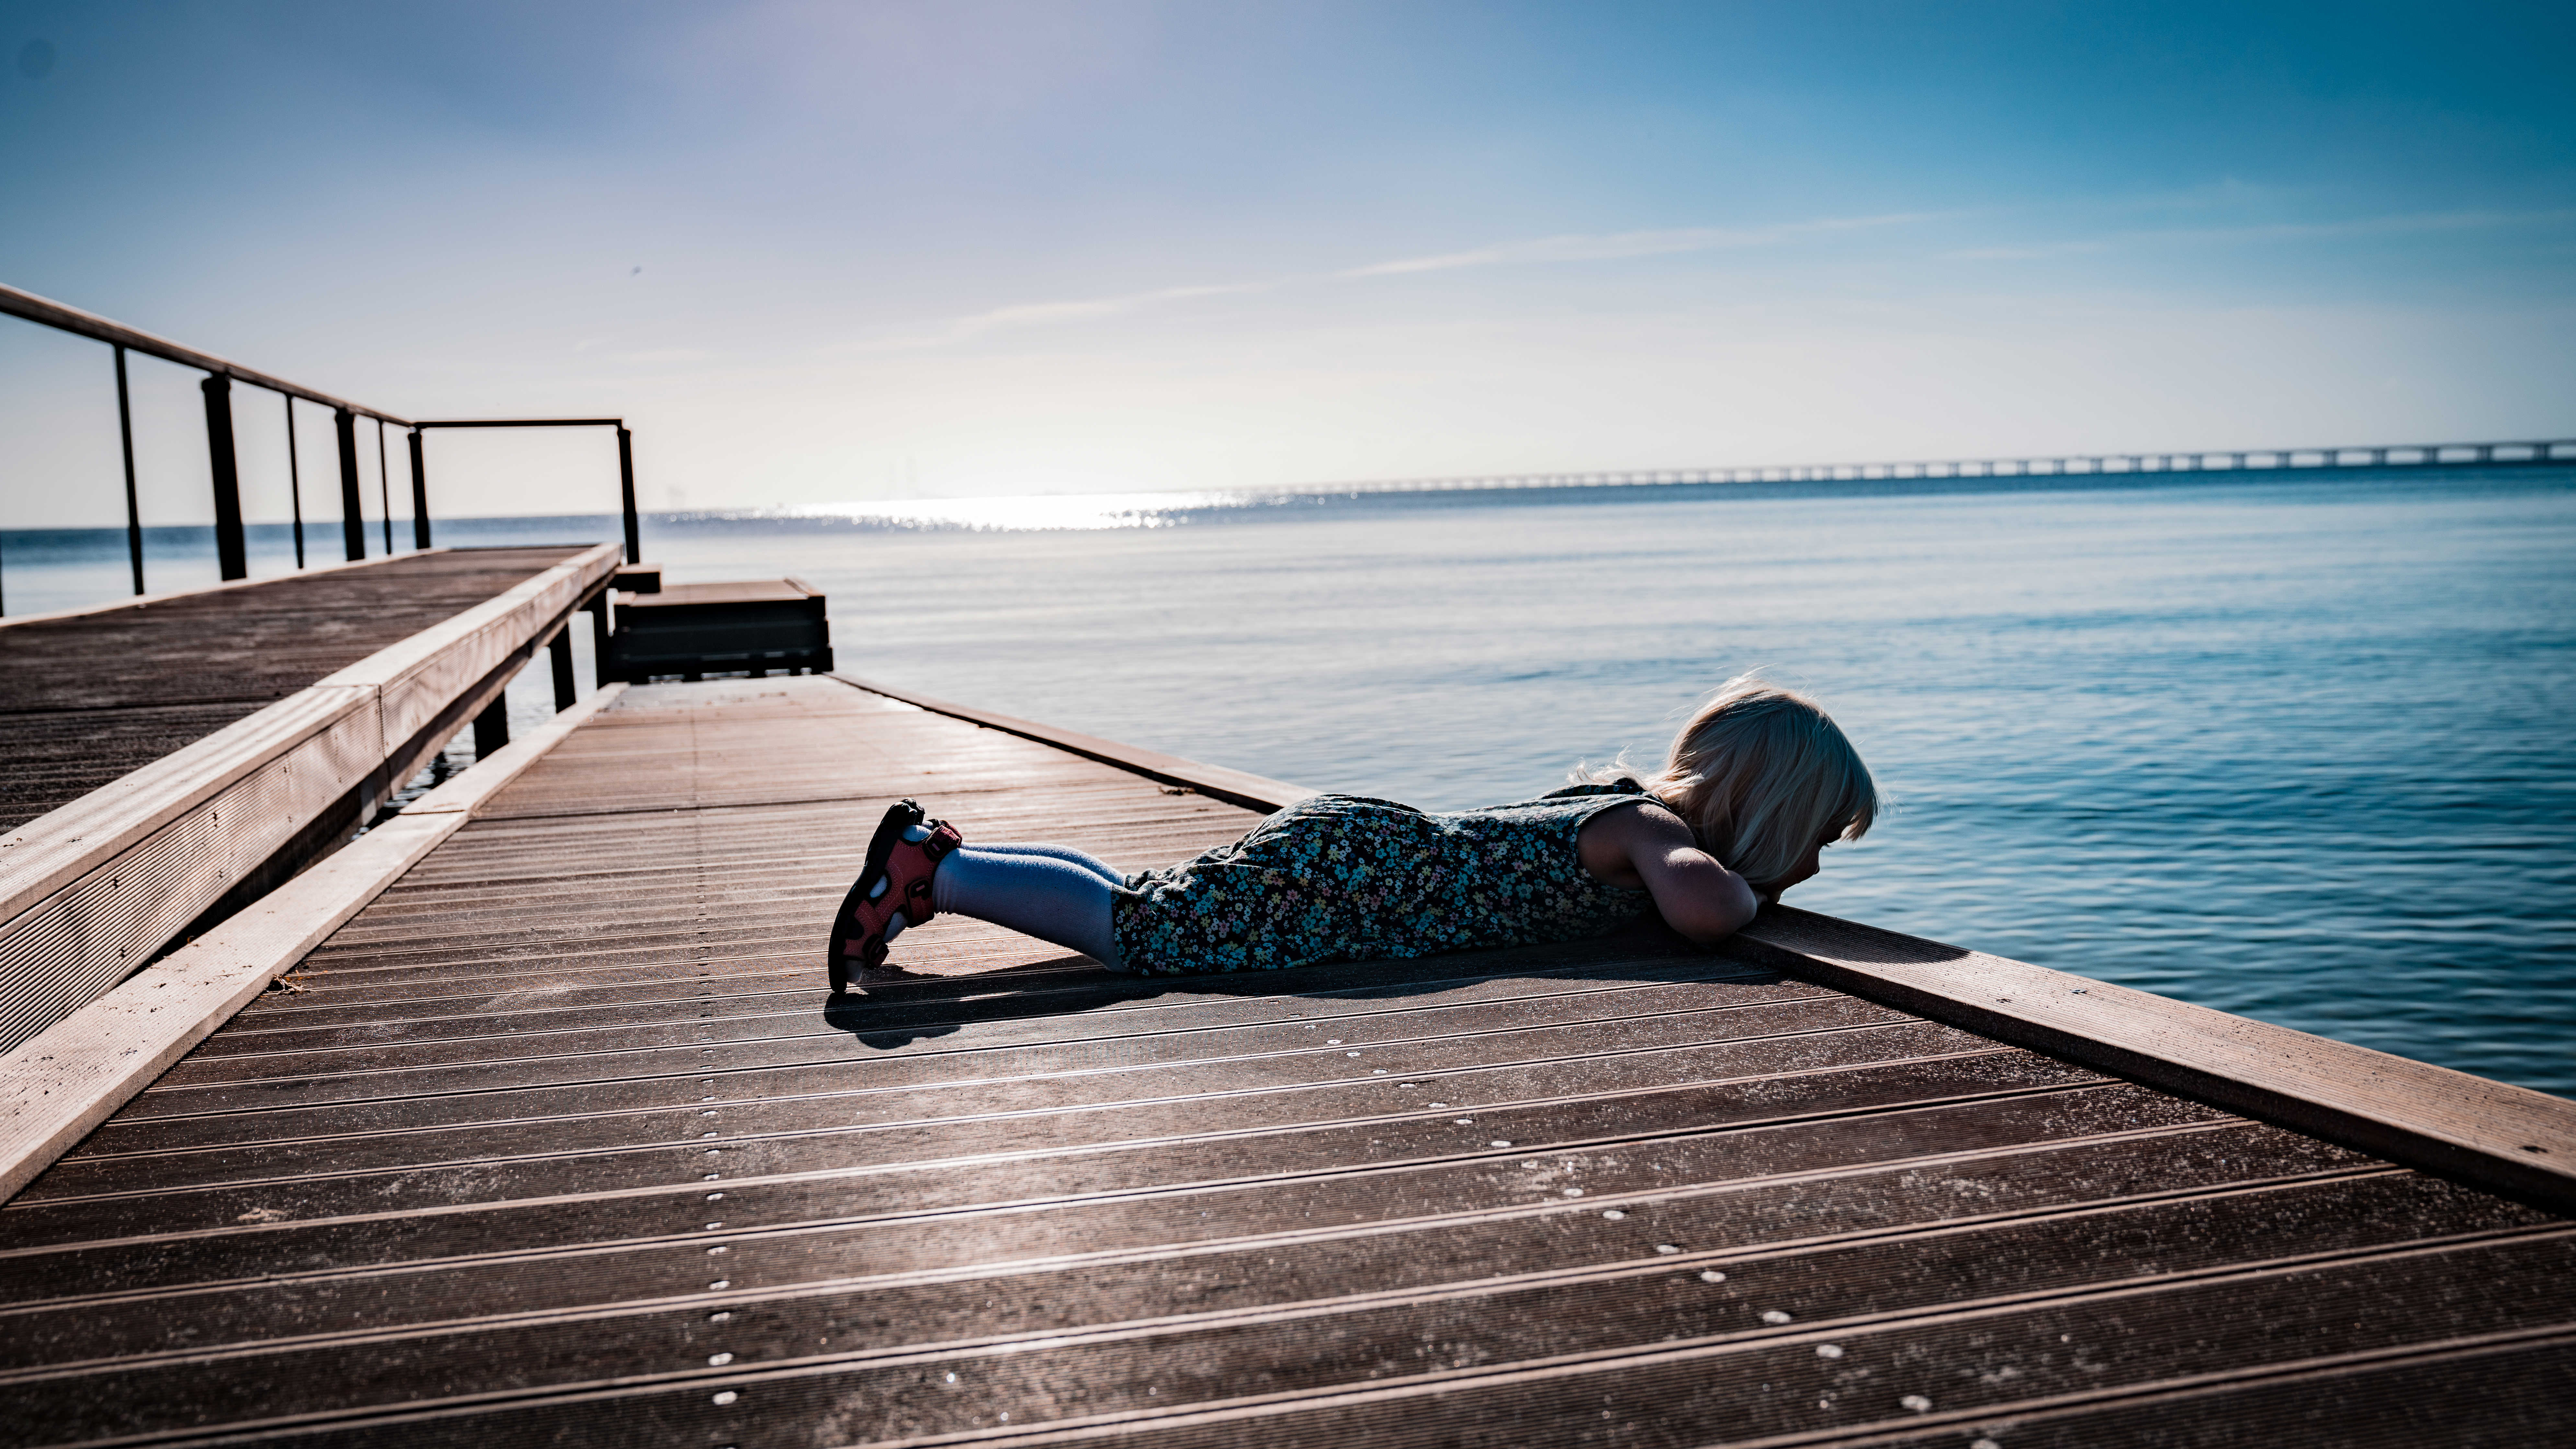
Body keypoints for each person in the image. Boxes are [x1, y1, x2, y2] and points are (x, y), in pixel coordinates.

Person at [827, 675, 1877, 992]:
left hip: (1360, 848)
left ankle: (938, 866)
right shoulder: (1648, 830)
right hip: (1362, 876)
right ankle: (943, 876)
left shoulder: (1614, 801)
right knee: (1156, 936)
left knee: (1149, 898)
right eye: (1814, 841)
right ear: (1761, 815)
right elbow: (1705, 910)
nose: (1815, 866)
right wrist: (1754, 897)